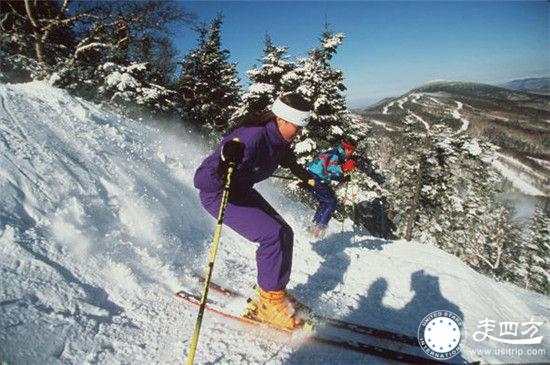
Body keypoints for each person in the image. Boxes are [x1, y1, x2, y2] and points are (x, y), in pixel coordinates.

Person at [193, 93, 316, 330]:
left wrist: (299, 171)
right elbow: (200, 180)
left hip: (241, 190)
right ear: (282, 119)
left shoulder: (277, 137)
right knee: (271, 235)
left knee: (284, 233)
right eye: (297, 127)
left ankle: (273, 294)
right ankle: (268, 305)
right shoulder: (250, 138)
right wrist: (222, 165)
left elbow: (282, 152)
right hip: (219, 194)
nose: (299, 133)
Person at [304, 140, 357, 239]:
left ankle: (314, 226)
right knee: (331, 202)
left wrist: (342, 177)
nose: (352, 153)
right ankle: (319, 229)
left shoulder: (335, 153)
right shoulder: (336, 155)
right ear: (347, 149)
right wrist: (343, 168)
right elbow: (329, 168)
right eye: (351, 151)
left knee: (325, 202)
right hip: (316, 178)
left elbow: (328, 172)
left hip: (312, 177)